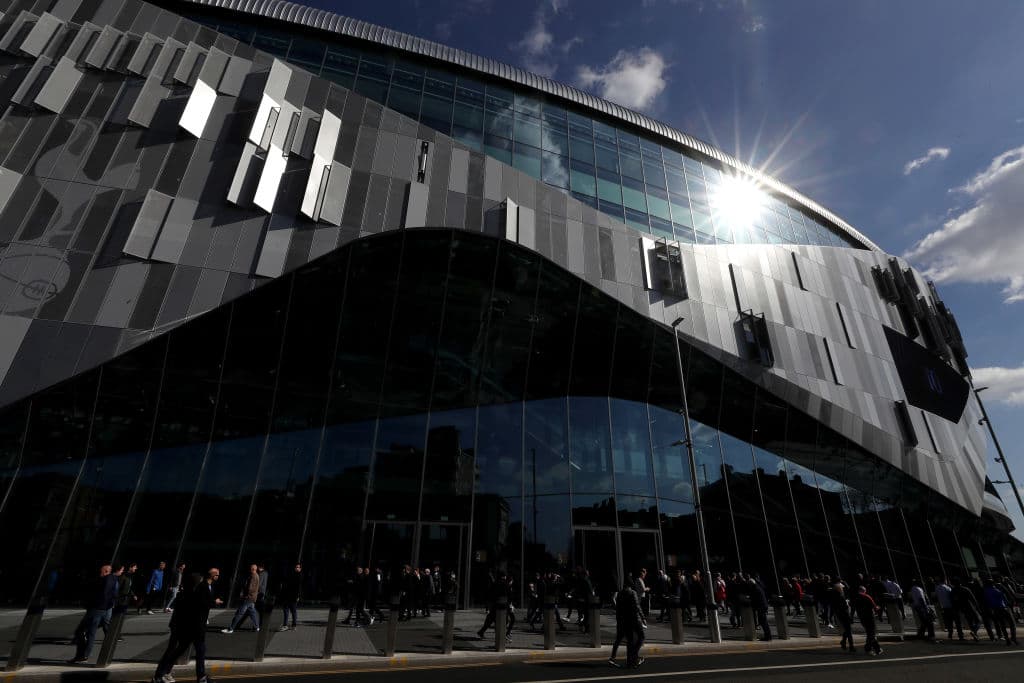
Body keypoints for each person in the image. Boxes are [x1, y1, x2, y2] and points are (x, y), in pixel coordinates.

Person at [152, 568, 223, 683]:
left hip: (187, 627)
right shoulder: (189, 594)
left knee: (182, 650)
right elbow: (194, 609)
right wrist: (213, 602)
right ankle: (160, 675)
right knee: (177, 651)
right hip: (185, 627)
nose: (201, 582)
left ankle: (162, 674)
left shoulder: (189, 593)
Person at [68, 564, 118, 664]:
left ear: (105, 571)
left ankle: (83, 655)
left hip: (96, 609)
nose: (100, 573)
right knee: (90, 632)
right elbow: (113, 595)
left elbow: (100, 594)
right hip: (103, 609)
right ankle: (84, 655)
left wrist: (91, 604)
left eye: (101, 571)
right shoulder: (113, 580)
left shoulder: (103, 581)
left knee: (82, 631)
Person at [609, 580, 646, 668]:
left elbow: (618, 608)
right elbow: (637, 606)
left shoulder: (620, 594)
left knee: (627, 640)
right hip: (634, 619)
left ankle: (627, 660)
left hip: (624, 620)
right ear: (630, 585)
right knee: (641, 636)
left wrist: (619, 620)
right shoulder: (632, 593)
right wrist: (643, 618)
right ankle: (634, 656)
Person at [222, 564, 260, 633]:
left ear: (252, 569)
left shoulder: (253, 576)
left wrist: (244, 593)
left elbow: (250, 588)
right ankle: (257, 627)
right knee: (253, 613)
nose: (249, 570)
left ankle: (231, 628)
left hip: (248, 598)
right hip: (252, 598)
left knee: (239, 613)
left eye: (250, 569)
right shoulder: (256, 576)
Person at [983, 579, 1018, 645]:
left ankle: (1007, 639)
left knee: (1002, 624)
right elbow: (1004, 598)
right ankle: (1013, 638)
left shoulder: (985, 591)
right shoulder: (996, 590)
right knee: (1012, 623)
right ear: (993, 584)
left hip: (995, 609)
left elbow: (986, 601)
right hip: (1003, 608)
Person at [852, 585, 882, 655]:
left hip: (862, 617)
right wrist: (878, 607)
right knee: (871, 633)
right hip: (869, 617)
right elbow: (874, 607)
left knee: (869, 633)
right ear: (864, 591)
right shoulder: (867, 597)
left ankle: (877, 648)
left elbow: (853, 607)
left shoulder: (855, 598)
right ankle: (868, 648)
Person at [278, 563, 304, 631]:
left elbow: (299, 588)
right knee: (286, 611)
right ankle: (285, 625)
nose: (297, 568)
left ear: (300, 569)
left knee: (293, 611)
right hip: (287, 596)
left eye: (298, 567)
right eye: (296, 567)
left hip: (293, 597)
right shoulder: (291, 574)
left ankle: (294, 625)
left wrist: (298, 596)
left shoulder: (300, 576)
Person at [831, 583, 854, 652]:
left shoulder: (834, 596)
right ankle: (851, 646)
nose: (843, 589)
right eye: (842, 588)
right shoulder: (841, 596)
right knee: (849, 630)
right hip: (844, 614)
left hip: (839, 614)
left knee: (847, 629)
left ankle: (843, 642)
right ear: (839, 589)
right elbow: (845, 607)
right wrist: (847, 603)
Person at [749, 577, 771, 641]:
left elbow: (755, 599)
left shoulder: (755, 588)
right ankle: (767, 636)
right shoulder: (757, 587)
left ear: (751, 584)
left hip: (761, 607)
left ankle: (768, 636)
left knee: (764, 622)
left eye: (749, 584)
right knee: (763, 621)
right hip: (763, 606)